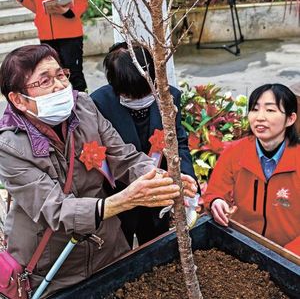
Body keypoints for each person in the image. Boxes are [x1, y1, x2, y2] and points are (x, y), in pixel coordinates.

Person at [0, 44, 197, 297]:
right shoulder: (9, 146)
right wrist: (123, 200)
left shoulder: (83, 106)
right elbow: (55, 209)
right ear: (17, 99)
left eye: (61, 75)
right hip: (53, 263)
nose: (60, 86)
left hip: (107, 247)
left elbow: (122, 156)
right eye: (45, 81)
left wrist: (164, 179)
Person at [91, 42, 199, 247]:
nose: (140, 100)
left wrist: (187, 179)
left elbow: (179, 143)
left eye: (146, 92)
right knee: (119, 250)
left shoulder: (170, 96)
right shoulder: (98, 104)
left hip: (159, 191)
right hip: (121, 193)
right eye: (130, 95)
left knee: (155, 244)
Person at [204, 83, 300, 256]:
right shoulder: (234, 151)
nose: (260, 117)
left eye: (270, 110)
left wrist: (289, 256)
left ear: (290, 119)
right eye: (255, 109)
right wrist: (216, 202)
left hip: (289, 255)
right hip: (243, 246)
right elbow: (214, 192)